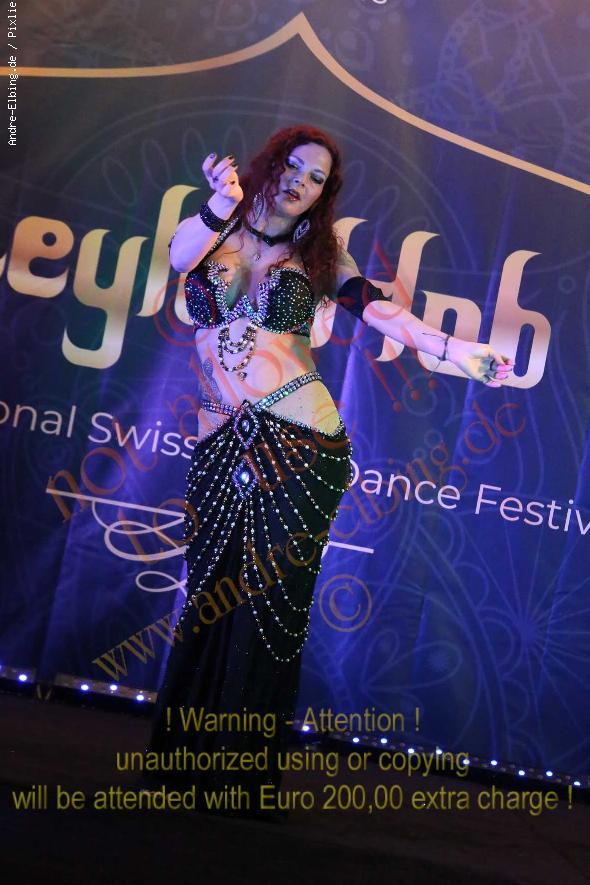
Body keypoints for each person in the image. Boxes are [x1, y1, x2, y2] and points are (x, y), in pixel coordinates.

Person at [139, 125, 514, 819]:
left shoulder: (321, 254)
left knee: (266, 611)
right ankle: (182, 763)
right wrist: (221, 203)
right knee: (209, 599)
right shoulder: (216, 227)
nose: (301, 182)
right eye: (293, 166)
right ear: (269, 164)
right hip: (220, 443)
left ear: (323, 194)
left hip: (300, 444)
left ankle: (240, 781)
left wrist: (454, 349)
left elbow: (383, 313)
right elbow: (179, 256)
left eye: (316, 178)